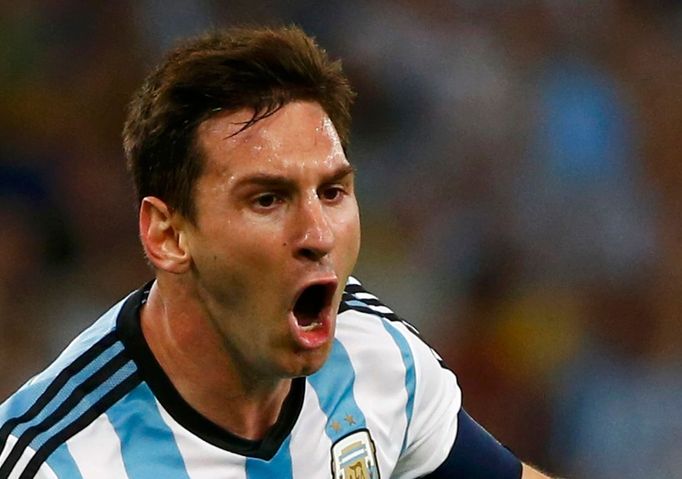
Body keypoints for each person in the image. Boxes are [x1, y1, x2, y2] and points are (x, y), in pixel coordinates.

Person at [0, 25, 552, 478]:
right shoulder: (60, 462)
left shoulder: (375, 359)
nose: (318, 235)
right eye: (267, 199)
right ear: (167, 236)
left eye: (333, 192)